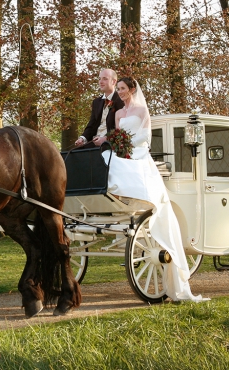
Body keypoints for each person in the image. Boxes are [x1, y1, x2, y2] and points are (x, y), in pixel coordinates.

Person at [104, 76, 207, 303]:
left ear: (132, 89)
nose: (119, 92)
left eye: (122, 88)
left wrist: (127, 144)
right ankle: (112, 196)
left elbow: (146, 136)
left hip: (139, 151)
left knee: (118, 162)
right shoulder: (119, 114)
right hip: (124, 151)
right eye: (118, 89)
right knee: (106, 158)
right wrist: (119, 144)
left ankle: (135, 195)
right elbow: (117, 135)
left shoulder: (141, 110)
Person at [74, 68, 125, 149]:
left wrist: (106, 138)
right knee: (71, 155)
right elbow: (91, 124)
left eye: (105, 79)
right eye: (99, 79)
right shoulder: (96, 102)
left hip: (111, 143)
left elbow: (121, 127)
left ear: (114, 81)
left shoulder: (121, 100)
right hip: (94, 141)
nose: (101, 82)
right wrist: (83, 138)